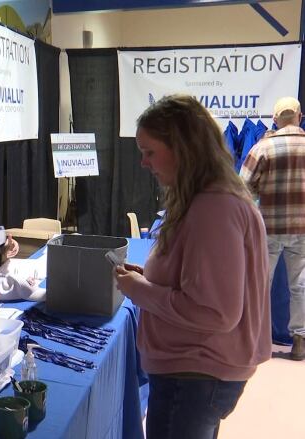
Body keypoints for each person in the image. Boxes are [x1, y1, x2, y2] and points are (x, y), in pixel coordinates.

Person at [114, 95, 271, 438]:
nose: (143, 163)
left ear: (183, 148)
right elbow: (204, 283)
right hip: (198, 373)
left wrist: (141, 291)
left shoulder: (213, 208)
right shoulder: (212, 199)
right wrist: (150, 279)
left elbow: (214, 312)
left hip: (195, 375)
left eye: (149, 151)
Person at [240, 96, 305, 361]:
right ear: (299, 117)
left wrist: (259, 192)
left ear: (276, 120)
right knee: (300, 285)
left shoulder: (263, 147)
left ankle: (256, 343)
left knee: (259, 285)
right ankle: (299, 341)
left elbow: (241, 186)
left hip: (268, 227)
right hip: (302, 227)